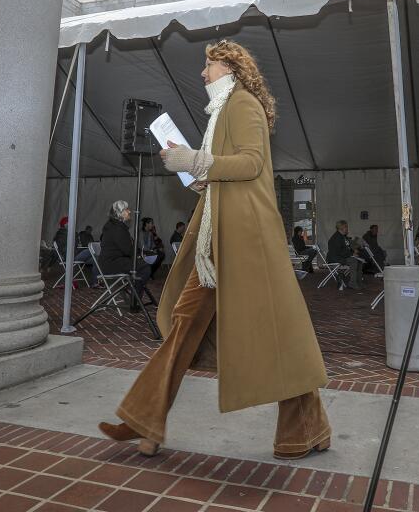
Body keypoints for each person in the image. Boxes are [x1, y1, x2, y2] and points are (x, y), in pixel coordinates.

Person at [98, 39, 330, 460]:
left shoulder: (241, 104)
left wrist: (196, 162)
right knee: (186, 325)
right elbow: (228, 170)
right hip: (216, 244)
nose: (203, 74)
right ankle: (144, 420)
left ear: (231, 66)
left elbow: (252, 164)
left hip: (243, 241)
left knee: (276, 337)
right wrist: (201, 174)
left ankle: (307, 429)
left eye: (209, 65)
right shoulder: (223, 110)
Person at [99, 201, 151, 311]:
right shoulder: (118, 228)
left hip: (110, 262)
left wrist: (137, 255)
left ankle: (133, 295)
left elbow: (126, 249)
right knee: (144, 268)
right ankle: (134, 301)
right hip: (112, 264)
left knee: (140, 265)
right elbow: (128, 250)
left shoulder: (113, 226)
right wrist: (138, 256)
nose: (129, 211)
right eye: (126, 210)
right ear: (120, 213)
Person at [327, 220, 363, 290]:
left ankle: (359, 282)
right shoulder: (336, 238)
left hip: (339, 256)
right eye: (346, 227)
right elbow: (339, 252)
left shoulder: (342, 236)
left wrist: (353, 252)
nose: (347, 228)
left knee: (359, 261)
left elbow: (346, 249)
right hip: (335, 258)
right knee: (354, 260)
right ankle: (352, 283)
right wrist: (352, 254)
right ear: (341, 227)